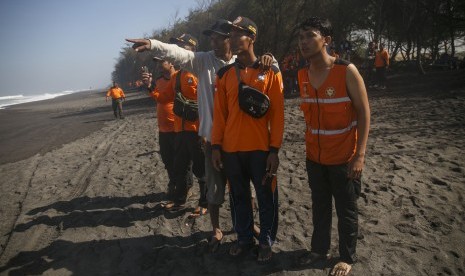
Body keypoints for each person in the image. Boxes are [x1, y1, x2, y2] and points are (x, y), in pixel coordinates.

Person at [127, 20, 274, 253]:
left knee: (245, 190)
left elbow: (267, 75)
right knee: (214, 191)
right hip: (211, 141)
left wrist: (270, 59)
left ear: (231, 38)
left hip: (241, 142)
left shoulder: (243, 63)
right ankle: (216, 228)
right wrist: (153, 44)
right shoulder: (203, 61)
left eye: (218, 38)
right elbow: (178, 54)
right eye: (211, 38)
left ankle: (246, 226)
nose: (212, 42)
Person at [295, 17, 370, 276]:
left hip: (343, 158)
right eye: (301, 36)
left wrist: (359, 155)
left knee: (346, 209)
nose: (303, 41)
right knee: (320, 206)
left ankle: (346, 257)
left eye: (310, 36)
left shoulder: (346, 71)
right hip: (314, 157)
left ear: (326, 40)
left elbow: (363, 112)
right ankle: (319, 250)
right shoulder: (302, 74)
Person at [211, 16, 284, 263]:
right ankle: (244, 239)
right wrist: (216, 146)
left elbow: (278, 116)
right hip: (231, 150)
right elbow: (219, 115)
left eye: (237, 33)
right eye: (230, 34)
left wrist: (274, 150)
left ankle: (266, 241)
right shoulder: (223, 75)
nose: (231, 38)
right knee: (238, 197)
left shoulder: (270, 71)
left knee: (266, 198)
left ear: (251, 38)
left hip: (260, 150)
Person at [142, 57, 179, 200]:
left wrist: (150, 86)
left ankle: (184, 188)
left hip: (178, 127)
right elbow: (157, 97)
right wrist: (150, 85)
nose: (158, 64)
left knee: (181, 162)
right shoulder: (158, 80)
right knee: (167, 159)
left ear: (172, 62)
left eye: (161, 61)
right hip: (163, 129)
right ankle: (173, 183)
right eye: (157, 62)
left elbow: (164, 97)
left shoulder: (179, 78)